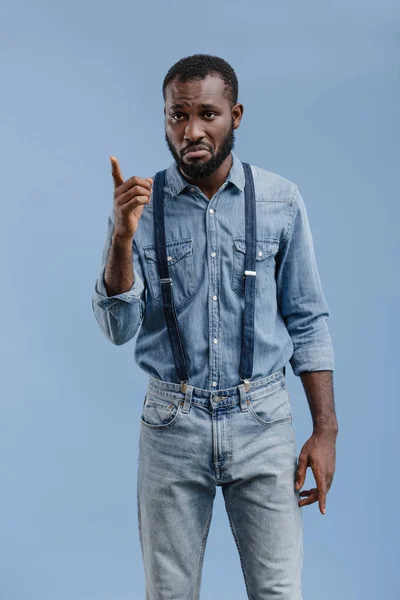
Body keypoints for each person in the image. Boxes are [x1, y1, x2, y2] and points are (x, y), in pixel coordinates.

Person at [92, 53, 338, 600]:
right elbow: (117, 327)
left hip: (263, 421)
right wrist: (121, 239)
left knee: (278, 591)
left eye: (208, 114)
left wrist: (326, 431)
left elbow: (308, 317)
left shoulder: (281, 200)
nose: (192, 130)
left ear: (236, 115)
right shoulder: (137, 207)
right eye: (177, 116)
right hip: (171, 425)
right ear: (164, 119)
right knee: (170, 594)